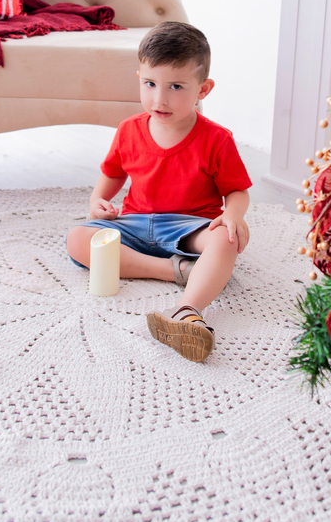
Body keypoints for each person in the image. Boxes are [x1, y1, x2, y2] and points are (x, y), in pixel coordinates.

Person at [66, 21, 252, 362]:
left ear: (204, 89)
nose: (160, 98)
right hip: (136, 223)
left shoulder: (216, 139)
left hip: (188, 226)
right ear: (139, 77)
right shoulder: (128, 130)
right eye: (150, 84)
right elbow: (111, 174)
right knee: (78, 238)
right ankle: (175, 270)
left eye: (176, 86)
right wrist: (97, 201)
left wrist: (232, 215)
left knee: (227, 239)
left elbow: (237, 191)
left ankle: (186, 310)